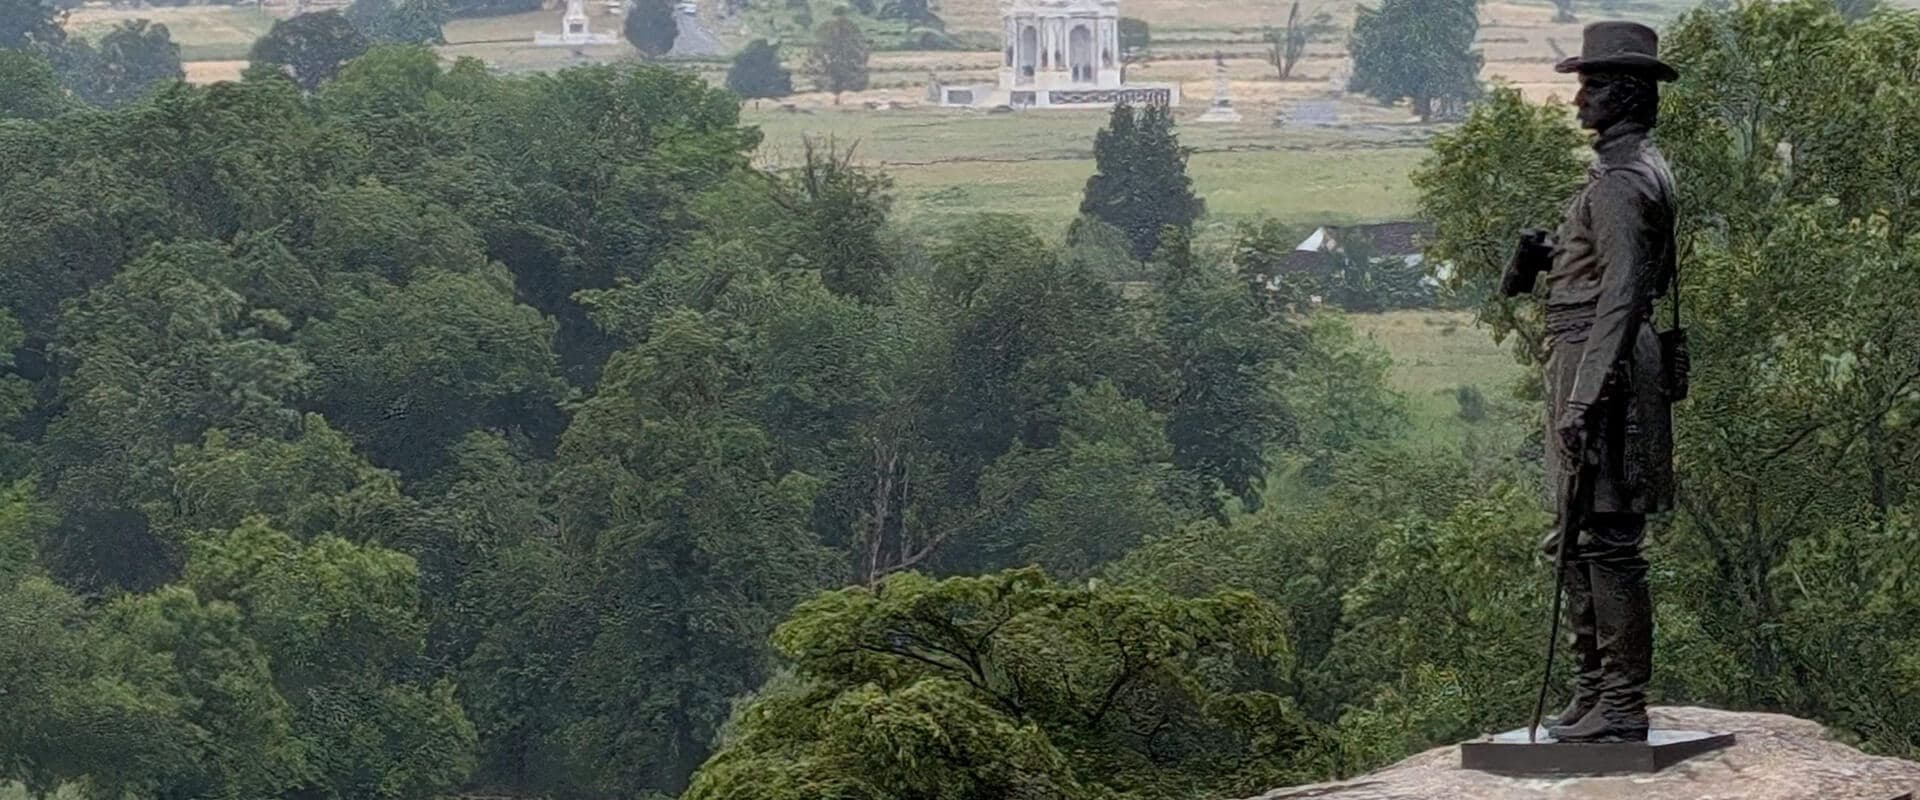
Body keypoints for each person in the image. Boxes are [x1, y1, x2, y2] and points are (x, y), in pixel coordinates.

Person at [1501, 20, 1681, 744]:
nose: (1578, 100)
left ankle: (1621, 703)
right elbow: (1610, 271)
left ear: (1627, 94)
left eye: (1591, 86)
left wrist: (1582, 395)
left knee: (1605, 540)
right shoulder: (1628, 173)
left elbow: (1624, 293)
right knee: (1574, 537)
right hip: (1591, 357)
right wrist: (1552, 257)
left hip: (1599, 367)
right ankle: (1593, 691)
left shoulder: (1622, 182)